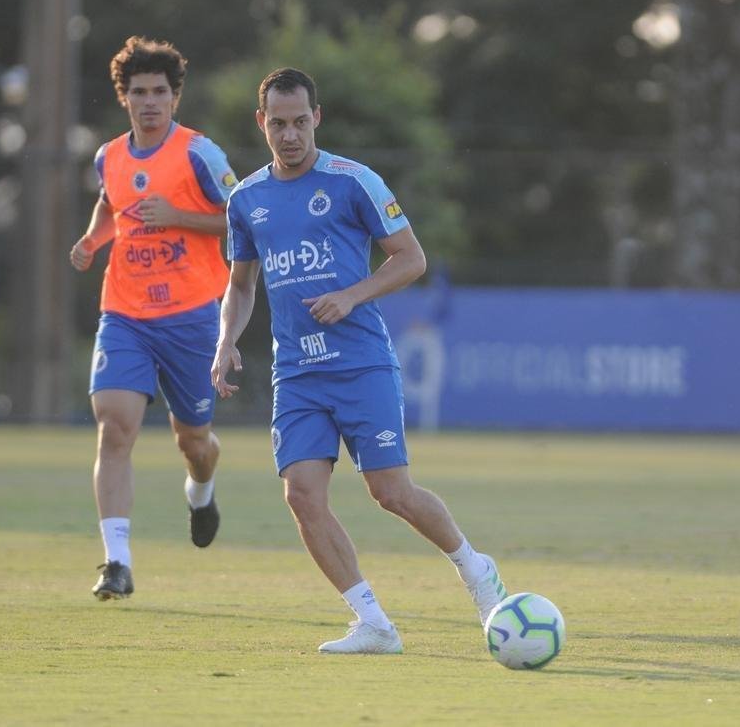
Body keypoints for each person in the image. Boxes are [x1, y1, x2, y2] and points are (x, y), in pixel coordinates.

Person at [210, 68, 506, 653]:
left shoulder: (354, 181)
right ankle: (373, 623)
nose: (290, 135)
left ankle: (475, 568)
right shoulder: (245, 199)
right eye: (278, 124)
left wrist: (351, 295)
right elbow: (240, 285)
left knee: (391, 492)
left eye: (300, 122)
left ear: (317, 118)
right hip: (297, 373)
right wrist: (226, 341)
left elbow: (411, 259)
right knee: (301, 495)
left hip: (361, 363)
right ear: (261, 123)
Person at [69, 36, 239, 599]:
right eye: (139, 92)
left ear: (175, 96)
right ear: (124, 97)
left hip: (191, 317)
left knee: (195, 442)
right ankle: (116, 562)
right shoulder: (109, 156)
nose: (149, 102)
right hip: (125, 312)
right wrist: (93, 239)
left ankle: (200, 491)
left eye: (159, 92)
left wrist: (178, 216)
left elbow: (243, 218)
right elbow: (110, 203)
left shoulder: (199, 154)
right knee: (114, 426)